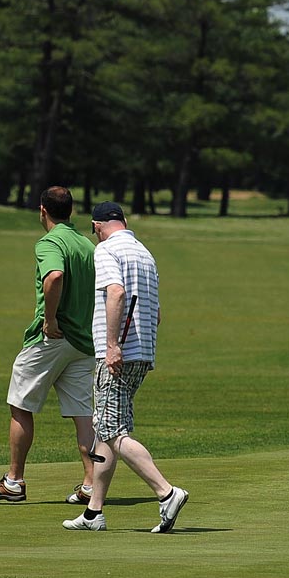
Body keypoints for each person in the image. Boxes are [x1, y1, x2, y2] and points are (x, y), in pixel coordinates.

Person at [63, 202, 189, 532]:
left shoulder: (105, 251)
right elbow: (157, 312)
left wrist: (112, 345)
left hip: (118, 355)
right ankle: (94, 513)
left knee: (113, 431)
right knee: (108, 429)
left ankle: (166, 493)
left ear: (97, 226)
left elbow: (115, 294)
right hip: (143, 351)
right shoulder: (145, 253)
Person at [0, 186, 99, 506]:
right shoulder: (87, 245)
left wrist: (50, 320)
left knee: (21, 404)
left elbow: (55, 276)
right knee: (82, 414)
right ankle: (91, 484)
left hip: (54, 339)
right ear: (71, 211)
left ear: (43, 211)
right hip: (84, 342)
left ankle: (15, 481)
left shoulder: (50, 242)